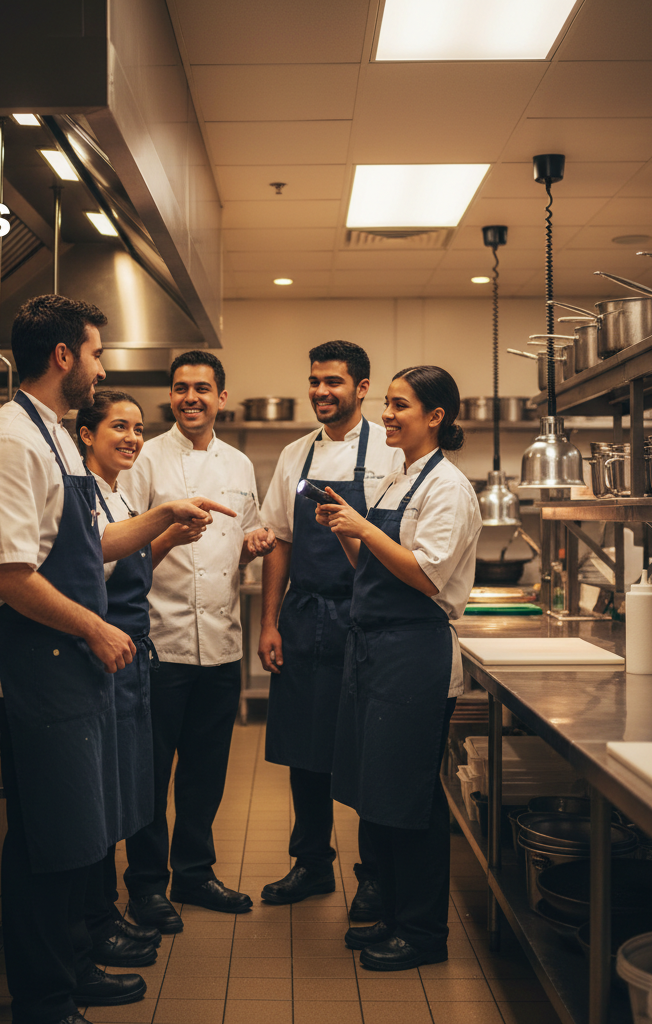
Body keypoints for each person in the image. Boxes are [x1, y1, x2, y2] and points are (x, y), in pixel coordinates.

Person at [0, 297, 233, 1024]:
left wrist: (163, 516)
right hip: (39, 665)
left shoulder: (48, 437)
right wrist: (96, 629)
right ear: (63, 358)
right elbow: (5, 571)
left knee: (77, 835)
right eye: (97, 354)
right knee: (48, 844)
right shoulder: (8, 443)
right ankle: (44, 1003)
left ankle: (74, 968)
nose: (103, 367)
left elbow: (88, 548)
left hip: (67, 666)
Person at [317, 365, 480, 971]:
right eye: (385, 403)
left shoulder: (449, 488)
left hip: (414, 655)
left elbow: (427, 573)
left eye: (399, 405)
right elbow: (374, 565)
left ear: (435, 417)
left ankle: (423, 933)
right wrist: (343, 530)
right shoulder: (397, 479)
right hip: (374, 652)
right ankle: (389, 914)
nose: (386, 414)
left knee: (409, 798)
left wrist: (362, 526)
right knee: (374, 794)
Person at [121, 350, 277, 933]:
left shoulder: (239, 465)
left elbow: (233, 547)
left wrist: (252, 544)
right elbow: (124, 545)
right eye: (182, 388)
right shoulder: (143, 458)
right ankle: (145, 887)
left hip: (221, 643)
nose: (192, 397)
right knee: (152, 771)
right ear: (169, 395)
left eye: (203, 388)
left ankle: (193, 872)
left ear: (222, 397)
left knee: (207, 769)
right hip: (157, 641)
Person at [257, 341, 403, 915]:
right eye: (314, 381)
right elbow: (280, 541)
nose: (321, 391)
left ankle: (371, 875)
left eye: (334, 382)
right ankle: (312, 863)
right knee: (304, 748)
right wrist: (269, 622)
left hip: (363, 617)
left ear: (361, 388)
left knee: (364, 747)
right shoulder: (295, 455)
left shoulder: (390, 456)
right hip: (304, 614)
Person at [76, 389, 208, 969]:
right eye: (118, 427)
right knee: (99, 799)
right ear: (86, 435)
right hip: (98, 657)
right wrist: (166, 516)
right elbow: (88, 560)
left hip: (128, 656)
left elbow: (126, 563)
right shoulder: (80, 497)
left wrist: (166, 539)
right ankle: (95, 918)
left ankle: (105, 913)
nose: (132, 437)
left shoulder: (116, 495)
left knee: (121, 792)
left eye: (137, 428)